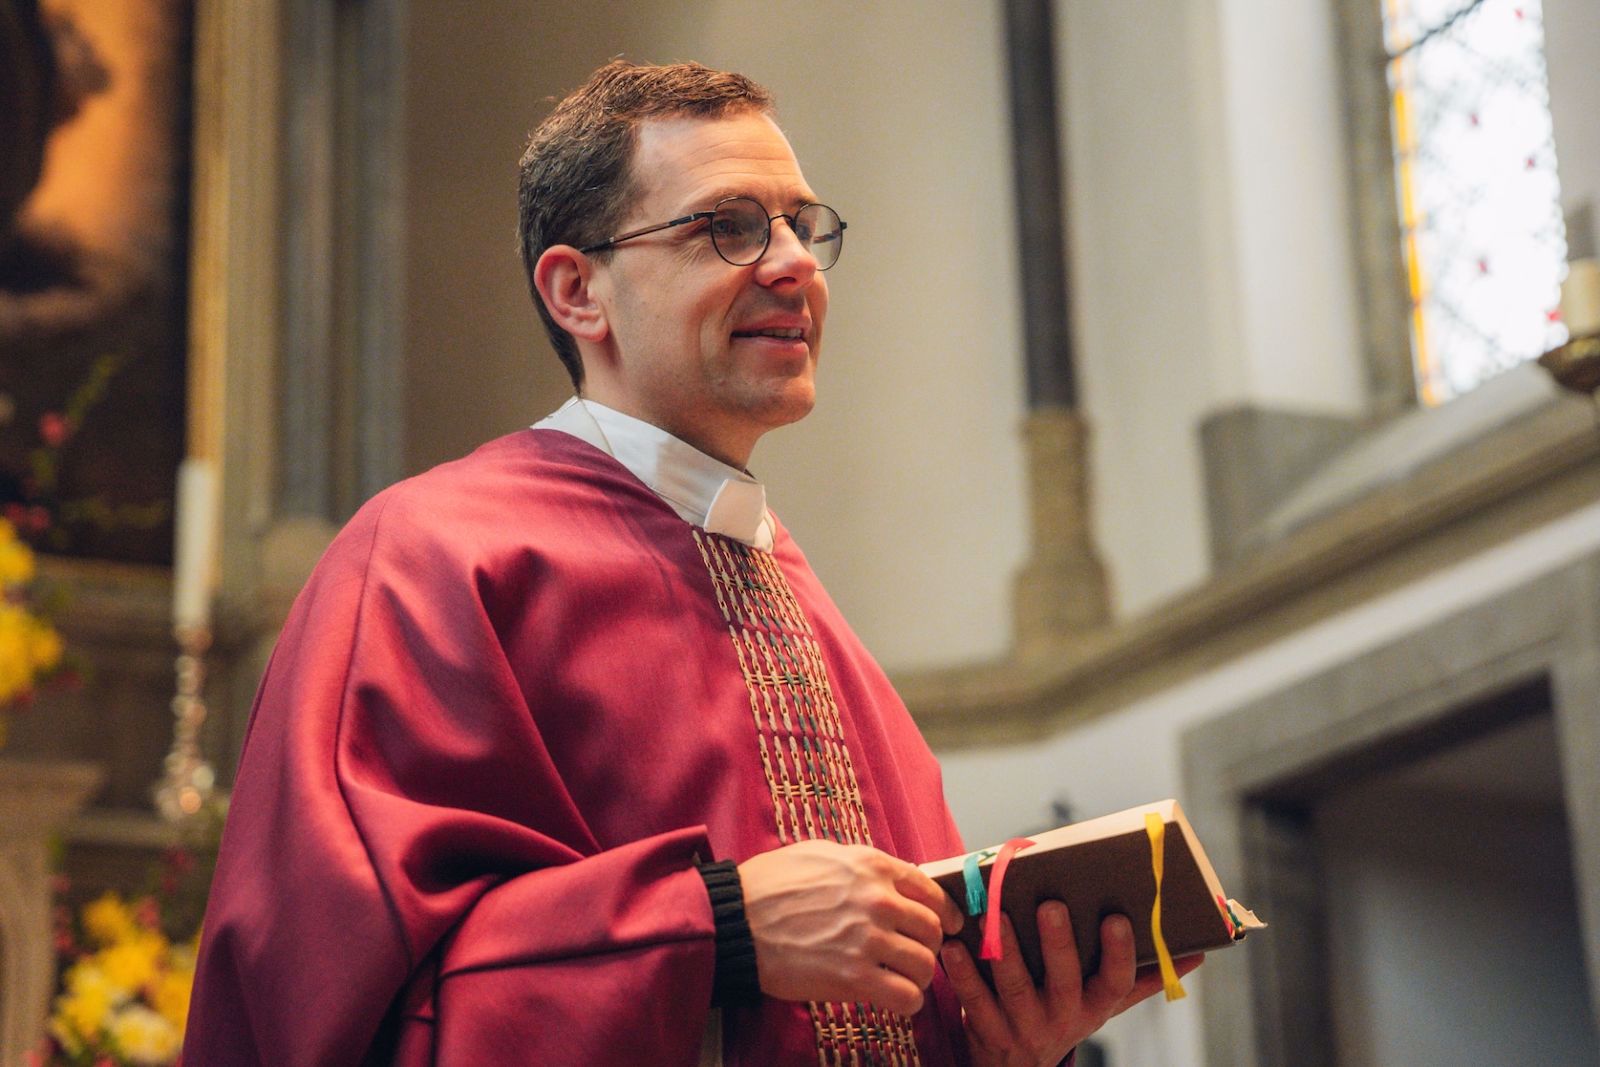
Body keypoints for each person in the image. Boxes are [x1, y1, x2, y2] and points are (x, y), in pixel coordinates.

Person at [184, 59, 1195, 1066]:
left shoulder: (798, 597)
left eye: (802, 224)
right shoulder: (429, 557)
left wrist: (1001, 1048)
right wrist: (716, 929)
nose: (793, 263)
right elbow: (324, 1000)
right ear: (578, 290)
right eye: (729, 226)